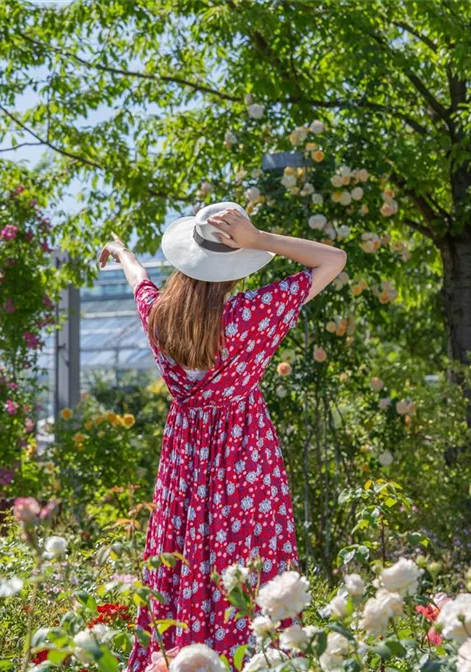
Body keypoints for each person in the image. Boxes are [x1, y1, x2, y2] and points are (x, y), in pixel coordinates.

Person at [98, 201, 347, 669]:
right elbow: (333, 259)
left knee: (182, 556)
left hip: (184, 466)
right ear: (233, 267)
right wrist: (259, 240)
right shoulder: (252, 314)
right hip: (244, 463)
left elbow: (140, 283)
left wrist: (123, 252)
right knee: (249, 564)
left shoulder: (161, 319)